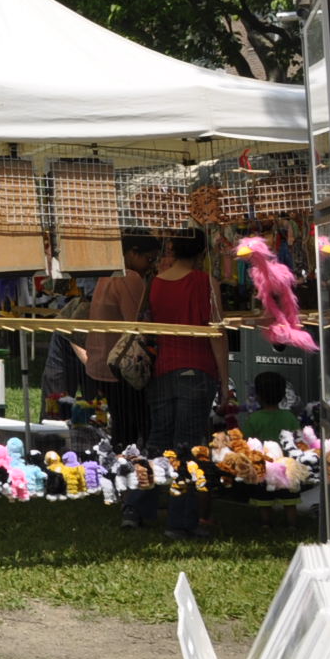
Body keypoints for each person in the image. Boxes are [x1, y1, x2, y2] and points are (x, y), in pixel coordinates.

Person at [138, 228, 228, 539]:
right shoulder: (206, 283)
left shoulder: (156, 283)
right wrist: (225, 381)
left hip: (163, 370)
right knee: (187, 448)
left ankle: (137, 508)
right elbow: (217, 335)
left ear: (172, 249)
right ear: (202, 252)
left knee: (157, 443)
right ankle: (180, 521)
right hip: (197, 370)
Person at [78, 232, 161, 499]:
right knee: (134, 429)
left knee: (122, 428)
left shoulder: (108, 275)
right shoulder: (130, 277)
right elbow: (137, 321)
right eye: (149, 259)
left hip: (103, 362)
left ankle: (116, 483)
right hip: (122, 366)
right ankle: (130, 487)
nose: (150, 265)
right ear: (133, 253)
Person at [241, 369, 302, 527]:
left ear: (258, 395)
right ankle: (292, 525)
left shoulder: (254, 418)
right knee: (290, 499)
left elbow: (246, 441)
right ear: (282, 395)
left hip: (264, 466)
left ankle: (265, 524)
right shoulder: (289, 417)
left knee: (264, 499)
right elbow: (298, 438)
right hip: (287, 465)